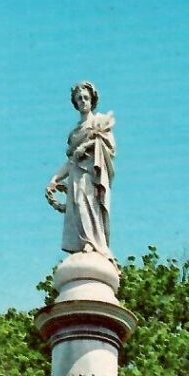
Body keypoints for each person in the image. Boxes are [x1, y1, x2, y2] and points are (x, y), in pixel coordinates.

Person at [45, 81, 116, 261]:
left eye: (86, 98)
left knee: (89, 205)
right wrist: (55, 179)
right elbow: (70, 162)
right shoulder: (74, 133)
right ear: (75, 103)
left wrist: (87, 145)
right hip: (76, 175)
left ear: (92, 100)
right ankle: (82, 242)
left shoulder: (99, 122)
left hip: (92, 175)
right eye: (79, 98)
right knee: (78, 205)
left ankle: (92, 242)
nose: (83, 101)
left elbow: (109, 147)